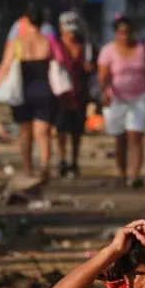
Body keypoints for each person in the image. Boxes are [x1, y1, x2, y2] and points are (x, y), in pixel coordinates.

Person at [0, 2, 56, 180]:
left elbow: (4, 66)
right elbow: (58, 63)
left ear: (26, 20)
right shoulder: (48, 41)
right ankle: (44, 167)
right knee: (43, 133)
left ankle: (28, 168)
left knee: (25, 132)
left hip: (22, 92)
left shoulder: (16, 43)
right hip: (45, 90)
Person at [98, 15, 145, 188]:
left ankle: (134, 174)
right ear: (116, 34)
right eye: (121, 33)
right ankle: (121, 173)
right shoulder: (108, 51)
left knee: (136, 136)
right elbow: (103, 76)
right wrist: (104, 92)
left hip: (140, 97)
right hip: (116, 98)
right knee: (120, 138)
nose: (125, 36)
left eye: (128, 32)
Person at [56, 11, 93, 179]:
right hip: (60, 95)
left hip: (79, 94)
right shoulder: (55, 46)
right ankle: (62, 159)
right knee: (61, 130)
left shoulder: (86, 46)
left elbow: (92, 68)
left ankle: (74, 161)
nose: (71, 34)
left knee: (77, 131)